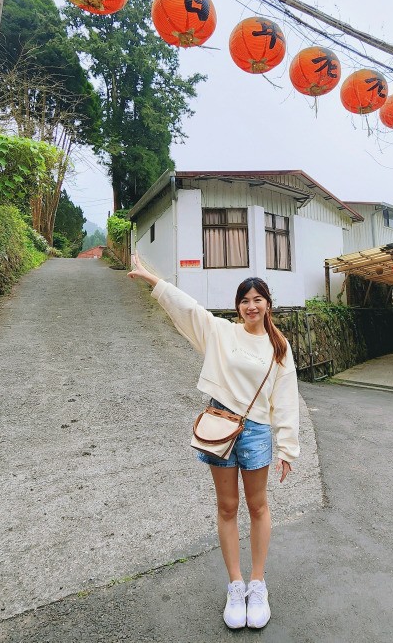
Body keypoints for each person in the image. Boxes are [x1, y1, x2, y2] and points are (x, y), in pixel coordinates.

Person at [127, 253, 300, 630]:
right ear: (237, 306)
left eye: (257, 299)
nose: (250, 306)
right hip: (220, 424)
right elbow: (188, 310)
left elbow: (285, 399)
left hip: (255, 432)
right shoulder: (222, 332)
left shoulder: (279, 348)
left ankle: (258, 583)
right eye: (244, 300)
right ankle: (235, 585)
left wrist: (287, 447)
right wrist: (155, 282)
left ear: (268, 303)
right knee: (226, 507)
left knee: (257, 507)